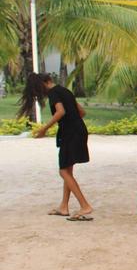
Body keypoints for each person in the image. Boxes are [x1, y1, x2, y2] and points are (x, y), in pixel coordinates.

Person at [18, 73, 93, 221]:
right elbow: (81, 112)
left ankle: (85, 205)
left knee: (63, 171)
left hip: (70, 133)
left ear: (43, 84)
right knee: (68, 169)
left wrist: (44, 129)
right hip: (79, 130)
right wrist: (72, 122)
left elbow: (61, 111)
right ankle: (64, 207)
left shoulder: (53, 93)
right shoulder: (65, 91)